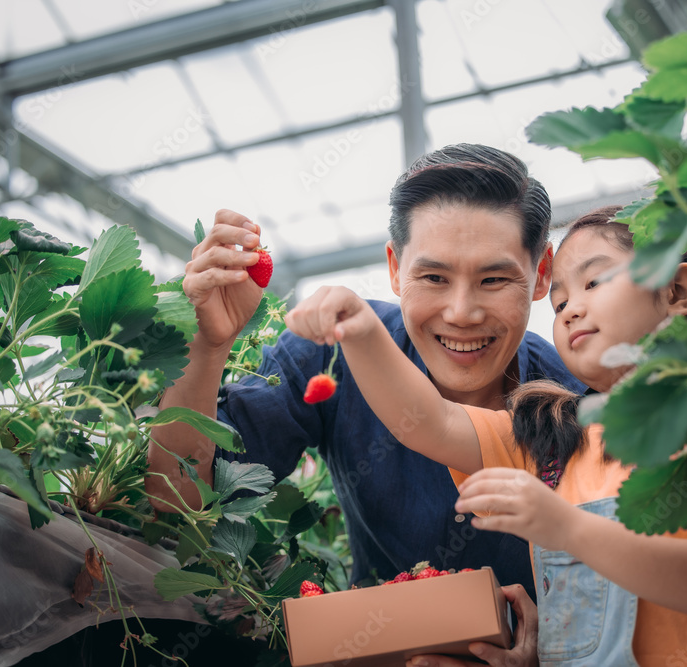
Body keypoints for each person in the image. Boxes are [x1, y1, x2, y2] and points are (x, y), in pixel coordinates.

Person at [285, 205, 687, 666]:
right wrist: (361, 327)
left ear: (676, 291)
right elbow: (428, 421)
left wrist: (567, 529)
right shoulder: (551, 436)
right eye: (558, 304)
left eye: (594, 284)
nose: (571, 308)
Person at [146, 144, 586, 665]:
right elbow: (178, 499)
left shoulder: (579, 401)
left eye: (493, 279)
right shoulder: (331, 349)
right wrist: (208, 347)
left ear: (541, 274)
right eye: (433, 278)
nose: (462, 312)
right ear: (396, 269)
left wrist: (558, 651)